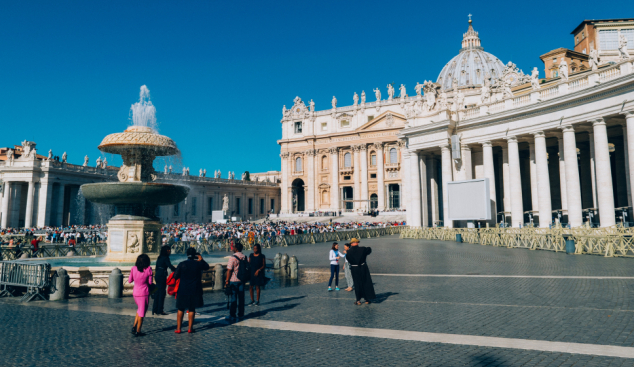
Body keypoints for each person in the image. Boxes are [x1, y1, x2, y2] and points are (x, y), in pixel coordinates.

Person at [173, 247, 210, 333]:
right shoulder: (198, 264)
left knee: (180, 308)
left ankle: (178, 328)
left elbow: (175, 276)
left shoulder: (182, 264)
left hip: (183, 289)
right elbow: (207, 267)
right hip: (195, 289)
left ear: (187, 254)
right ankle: (190, 328)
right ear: (195, 255)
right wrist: (202, 259)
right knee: (192, 309)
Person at [128, 254, 153, 336]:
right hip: (144, 293)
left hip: (135, 293)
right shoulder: (148, 269)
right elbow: (150, 282)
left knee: (139, 310)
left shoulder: (133, 268)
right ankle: (138, 331)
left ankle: (134, 327)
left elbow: (129, 280)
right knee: (142, 313)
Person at [345, 238, 375, 305]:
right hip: (362, 267)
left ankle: (358, 300)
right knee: (365, 282)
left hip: (354, 268)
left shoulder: (349, 252)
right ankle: (367, 299)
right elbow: (369, 250)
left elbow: (348, 259)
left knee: (357, 284)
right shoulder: (362, 249)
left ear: (351, 244)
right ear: (357, 243)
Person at [152, 245, 176, 315]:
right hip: (162, 275)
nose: (169, 251)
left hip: (157, 275)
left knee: (157, 292)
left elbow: (156, 267)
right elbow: (170, 266)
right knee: (162, 293)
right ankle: (160, 310)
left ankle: (155, 309)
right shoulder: (166, 258)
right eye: (168, 249)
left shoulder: (159, 257)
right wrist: (177, 269)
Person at [226, 242, 246, 321]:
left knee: (233, 298)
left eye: (233, 247)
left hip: (234, 280)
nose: (232, 248)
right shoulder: (244, 257)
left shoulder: (232, 257)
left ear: (236, 249)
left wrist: (227, 280)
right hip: (242, 280)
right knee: (241, 298)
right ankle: (241, 314)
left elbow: (229, 270)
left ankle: (232, 315)